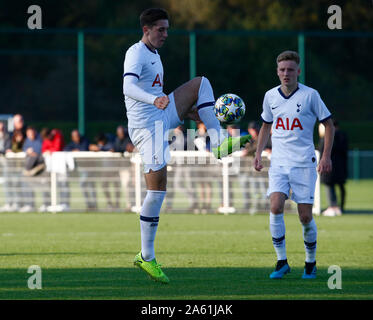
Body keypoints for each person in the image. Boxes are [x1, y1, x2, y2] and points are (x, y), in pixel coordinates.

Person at [124, 8, 251, 283]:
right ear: (146, 29)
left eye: (167, 29)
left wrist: (191, 113)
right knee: (157, 189)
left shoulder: (155, 55)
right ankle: (146, 257)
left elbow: (158, 94)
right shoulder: (135, 52)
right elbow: (128, 88)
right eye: (161, 29)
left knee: (201, 83)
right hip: (147, 128)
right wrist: (152, 100)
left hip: (161, 114)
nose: (166, 34)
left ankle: (218, 142)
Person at [254, 50, 335, 280]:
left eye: (290, 69)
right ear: (277, 72)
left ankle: (310, 263)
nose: (286, 73)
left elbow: (328, 125)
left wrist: (326, 156)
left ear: (298, 71)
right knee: (276, 206)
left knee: (305, 216)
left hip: (303, 164)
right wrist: (258, 154)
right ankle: (282, 262)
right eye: (282, 70)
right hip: (279, 163)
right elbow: (265, 126)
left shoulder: (311, 95)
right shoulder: (270, 96)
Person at [319, 120, 348, 216]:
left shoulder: (327, 138)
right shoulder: (343, 136)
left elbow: (322, 150)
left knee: (329, 186)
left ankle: (333, 206)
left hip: (329, 167)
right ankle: (340, 207)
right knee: (341, 187)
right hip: (341, 167)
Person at [64, 129, 97, 211]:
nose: (77, 138)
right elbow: (66, 149)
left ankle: (94, 205)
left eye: (78, 136)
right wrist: (73, 151)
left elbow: (85, 149)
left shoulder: (85, 141)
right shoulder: (72, 144)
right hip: (82, 169)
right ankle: (90, 204)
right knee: (85, 185)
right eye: (75, 136)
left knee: (89, 185)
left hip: (89, 168)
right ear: (72, 137)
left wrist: (78, 151)